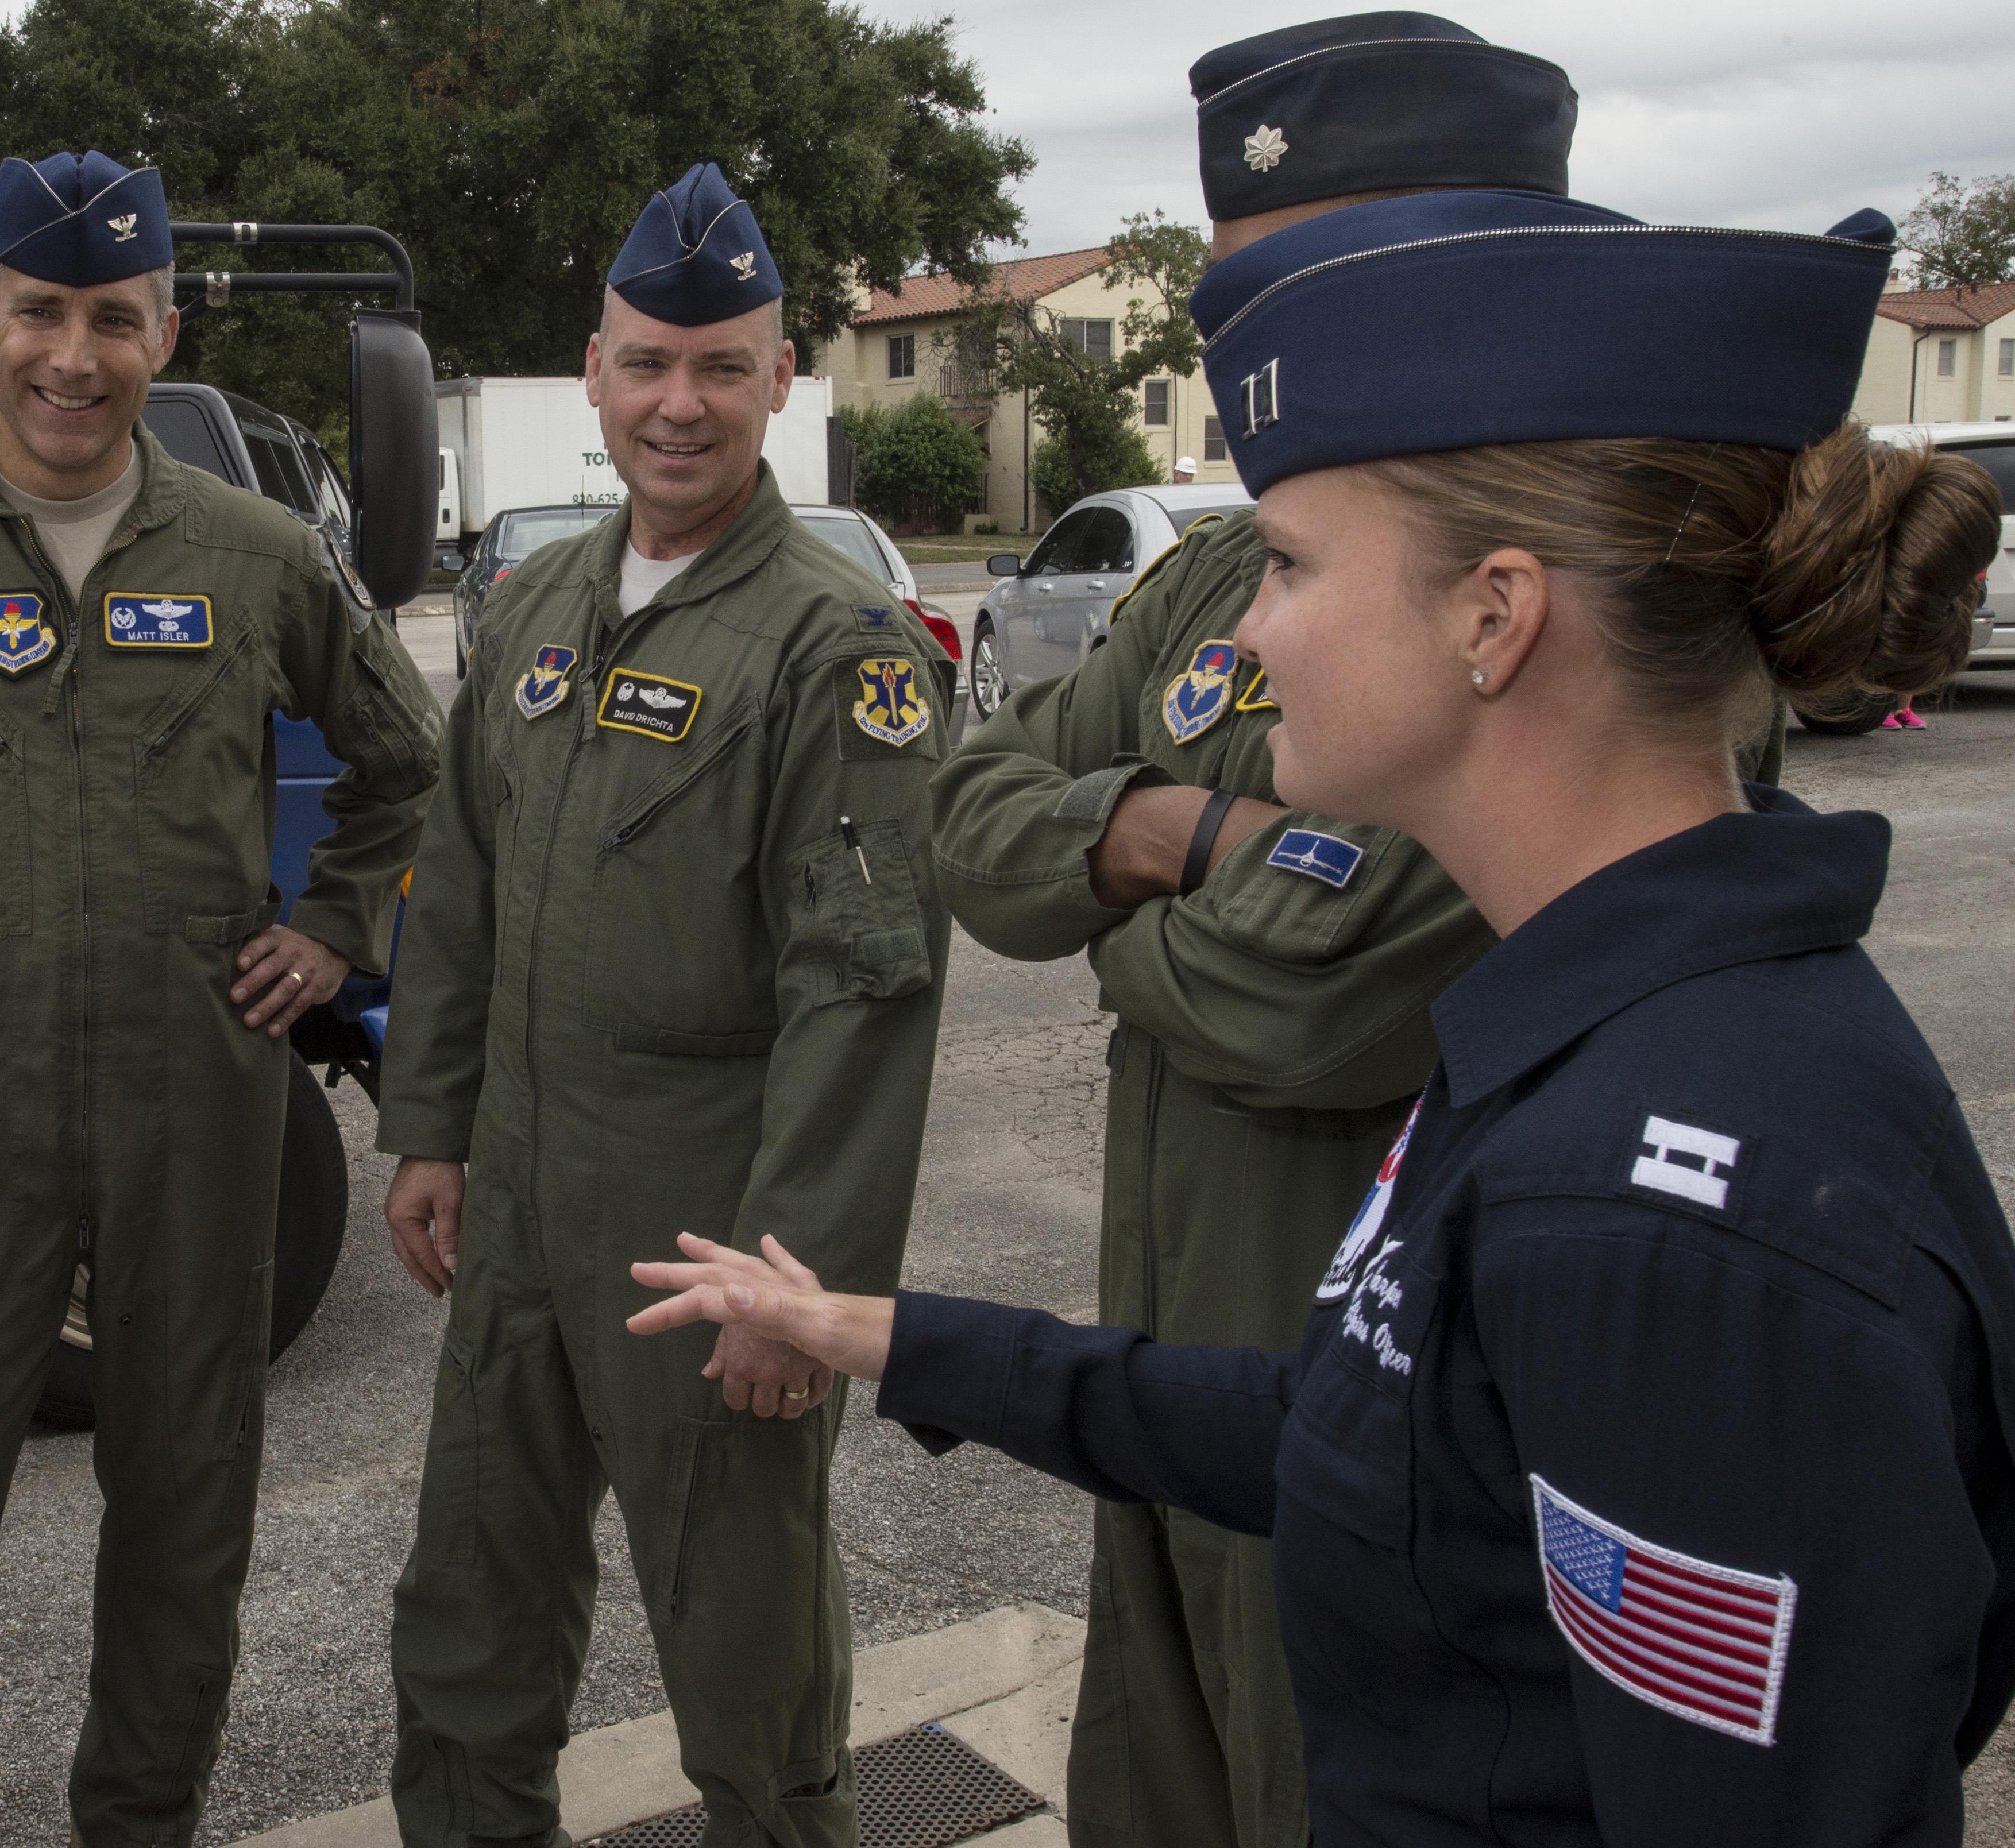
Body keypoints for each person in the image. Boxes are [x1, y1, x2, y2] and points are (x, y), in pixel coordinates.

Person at [631, 187, 2012, 1845]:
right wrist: (888, 1335)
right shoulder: (1591, 1033)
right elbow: (1357, 1431)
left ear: (1491, 617)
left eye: (1286, 565)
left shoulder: (1656, 1220)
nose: (1248, 628)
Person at [926, 19, 1591, 1845]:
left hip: (1377, 1422)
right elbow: (967, 826)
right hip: (1169, 1376)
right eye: (1231, 290)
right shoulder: (1227, 567)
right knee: (1154, 1788)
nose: (1244, 338)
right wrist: (1190, 829)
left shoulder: (1564, 590)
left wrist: (1118, 894)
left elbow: (1300, 1003)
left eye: (1298, 279)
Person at [0, 150, 444, 1848]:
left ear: (163, 329)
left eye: (112, 319)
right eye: (40, 312)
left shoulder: (258, 553)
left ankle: (138, 1823)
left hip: (195, 1092)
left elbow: (408, 764)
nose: (73, 355)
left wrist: (333, 929)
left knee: (186, 1509)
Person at [375, 162, 952, 1848]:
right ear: (594, 374)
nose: (675, 404)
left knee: (744, 1657)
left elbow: (860, 987)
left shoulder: (831, 647)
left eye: (718, 366)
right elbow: (459, 884)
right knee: (464, 1621)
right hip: (518, 1205)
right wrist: (427, 1125)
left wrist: (797, 1288)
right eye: (643, 364)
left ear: (780, 379)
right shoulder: (536, 606)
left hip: (708, 1234)